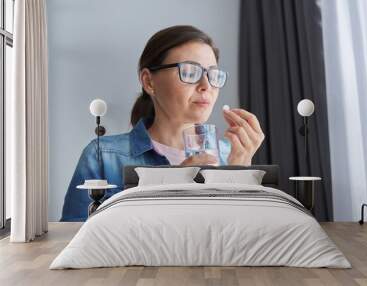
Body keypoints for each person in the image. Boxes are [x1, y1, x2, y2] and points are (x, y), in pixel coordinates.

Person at [60, 25, 265, 222]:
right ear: (149, 82)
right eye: (190, 72)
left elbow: (242, 237)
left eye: (213, 75)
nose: (206, 86)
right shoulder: (103, 156)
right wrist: (173, 190)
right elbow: (74, 237)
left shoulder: (231, 154)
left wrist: (239, 175)